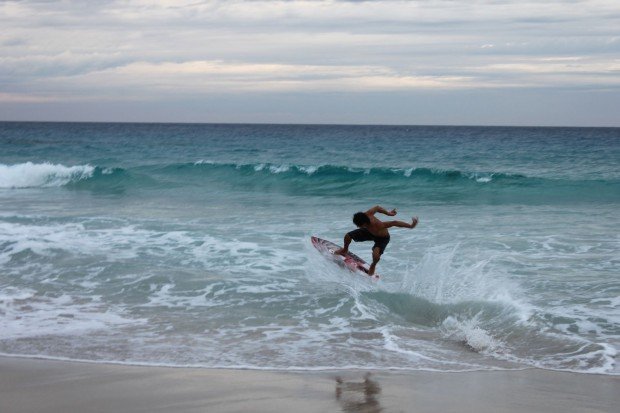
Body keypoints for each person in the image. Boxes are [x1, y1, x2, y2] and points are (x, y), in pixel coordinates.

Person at [334, 206, 418, 276]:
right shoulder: (367, 214)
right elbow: (377, 208)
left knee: (376, 255)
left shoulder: (378, 225)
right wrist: (389, 213)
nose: (357, 226)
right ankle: (345, 249)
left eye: (358, 225)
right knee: (348, 236)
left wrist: (411, 226)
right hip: (369, 232)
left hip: (382, 238)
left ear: (365, 224)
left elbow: (394, 222)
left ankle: (373, 265)